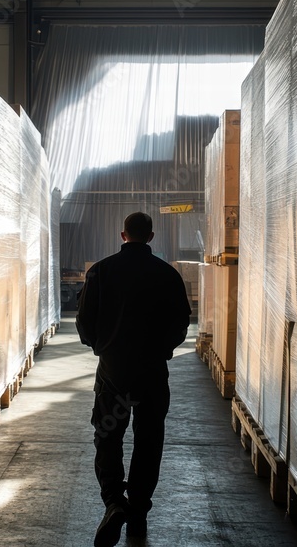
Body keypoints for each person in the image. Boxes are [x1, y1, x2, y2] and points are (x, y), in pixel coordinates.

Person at [76, 212, 192, 547]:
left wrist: (102, 345)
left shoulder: (101, 271)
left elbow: (84, 323)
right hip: (152, 373)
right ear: (151, 237)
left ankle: (114, 502)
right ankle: (138, 513)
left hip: (114, 372)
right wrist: (162, 349)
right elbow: (181, 324)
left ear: (123, 234)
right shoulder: (167, 274)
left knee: (108, 437)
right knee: (148, 440)